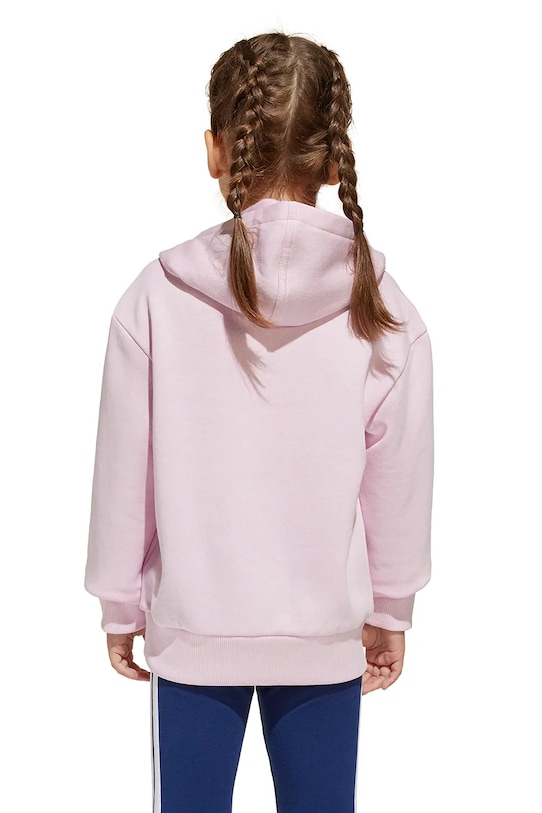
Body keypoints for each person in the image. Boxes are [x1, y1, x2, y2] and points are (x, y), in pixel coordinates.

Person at [84, 31, 434, 813]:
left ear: (215, 150)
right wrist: (391, 606)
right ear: (334, 160)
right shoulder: (383, 307)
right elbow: (400, 474)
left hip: (193, 631)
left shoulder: (156, 296)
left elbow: (123, 466)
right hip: (325, 633)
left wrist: (118, 602)